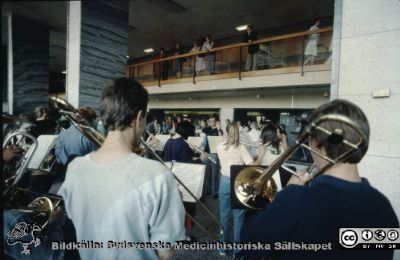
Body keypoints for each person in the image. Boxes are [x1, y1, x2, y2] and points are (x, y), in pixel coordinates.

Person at [240, 99, 399, 259]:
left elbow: (249, 243)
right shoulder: (383, 207)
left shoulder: (294, 199)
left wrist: (284, 195)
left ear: (315, 142)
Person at [58, 78, 186, 260]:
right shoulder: (159, 175)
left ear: (104, 116)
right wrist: (174, 206)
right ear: (140, 117)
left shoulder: (74, 168)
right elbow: (165, 254)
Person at [217, 123, 265, 257]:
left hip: (225, 181)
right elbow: (253, 166)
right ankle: (237, 252)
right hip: (238, 181)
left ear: (227, 133)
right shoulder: (241, 148)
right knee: (239, 217)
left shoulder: (219, 146)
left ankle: (222, 247)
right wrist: (260, 155)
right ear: (238, 133)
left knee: (224, 216)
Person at [200, 116, 221, 199]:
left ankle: (215, 191)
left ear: (216, 121)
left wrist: (219, 129)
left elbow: (222, 139)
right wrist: (201, 152)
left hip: (215, 154)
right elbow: (202, 141)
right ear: (209, 121)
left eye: (213, 121)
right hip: (206, 153)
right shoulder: (206, 129)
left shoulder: (219, 130)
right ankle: (208, 190)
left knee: (215, 173)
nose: (212, 122)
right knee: (206, 172)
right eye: (210, 121)